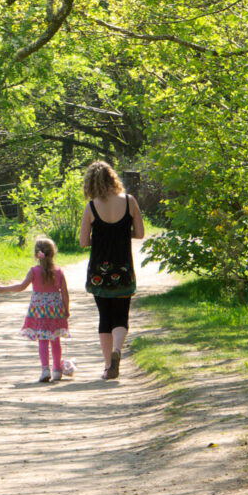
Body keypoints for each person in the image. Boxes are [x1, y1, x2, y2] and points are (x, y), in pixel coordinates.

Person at [79, 161, 144, 380]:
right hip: (123, 267)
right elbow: (140, 233)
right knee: (121, 315)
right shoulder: (129, 201)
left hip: (99, 270)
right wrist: (123, 234)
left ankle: (108, 367)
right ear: (113, 178)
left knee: (104, 317)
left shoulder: (91, 207)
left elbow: (83, 242)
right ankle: (117, 351)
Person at [0, 235, 70, 383]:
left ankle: (45, 370)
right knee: (55, 340)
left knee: (42, 340)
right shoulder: (59, 271)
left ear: (37, 255)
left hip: (39, 312)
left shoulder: (34, 271)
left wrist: (4, 289)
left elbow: (21, 287)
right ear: (53, 253)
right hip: (55, 312)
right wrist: (66, 310)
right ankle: (56, 370)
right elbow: (65, 293)